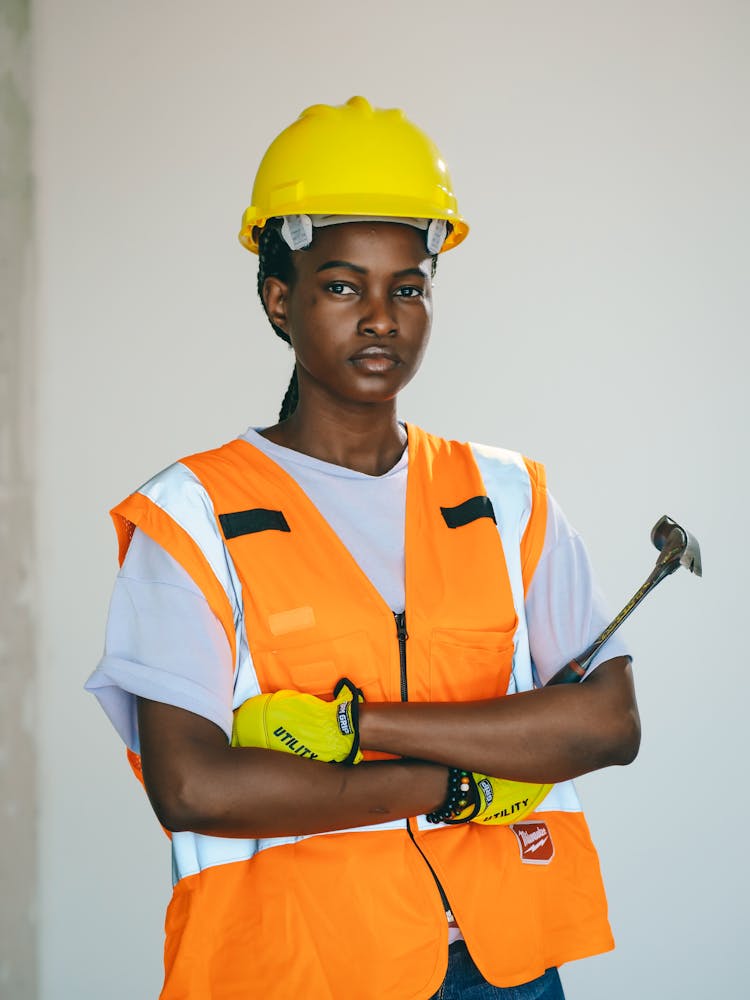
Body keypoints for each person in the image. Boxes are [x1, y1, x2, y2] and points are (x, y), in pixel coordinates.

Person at [86, 96, 640, 1000]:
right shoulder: (194, 513)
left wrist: (355, 729)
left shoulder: (507, 497)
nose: (381, 317)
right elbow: (194, 785)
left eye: (407, 287)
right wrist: (451, 786)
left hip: (504, 969)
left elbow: (605, 724)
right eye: (343, 285)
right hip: (296, 970)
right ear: (279, 298)